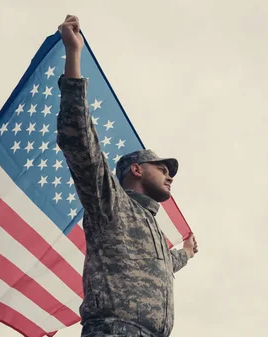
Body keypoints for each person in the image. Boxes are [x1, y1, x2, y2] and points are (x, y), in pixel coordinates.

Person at [56, 15, 199, 337]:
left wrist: (186, 254)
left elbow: (166, 265)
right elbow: (80, 142)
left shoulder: (153, 232)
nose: (170, 177)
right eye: (161, 169)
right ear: (136, 169)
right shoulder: (111, 204)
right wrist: (73, 54)